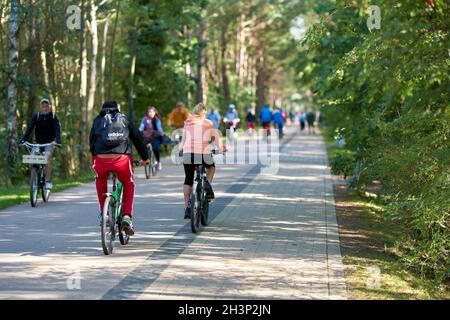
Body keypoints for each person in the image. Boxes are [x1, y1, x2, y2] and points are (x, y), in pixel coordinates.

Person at [89, 101, 149, 236]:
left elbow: (92, 141)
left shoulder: (98, 120)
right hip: (121, 160)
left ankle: (103, 213)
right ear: (117, 109)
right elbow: (138, 139)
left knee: (100, 179)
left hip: (101, 160)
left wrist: (94, 157)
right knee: (128, 183)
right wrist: (145, 157)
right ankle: (127, 215)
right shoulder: (124, 119)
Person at [180, 103, 227, 219]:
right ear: (204, 113)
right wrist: (222, 149)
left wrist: (182, 150)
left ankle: (187, 208)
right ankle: (207, 185)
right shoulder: (208, 123)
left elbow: (183, 140)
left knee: (188, 179)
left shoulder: (187, 122)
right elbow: (217, 140)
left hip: (188, 154)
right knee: (211, 167)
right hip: (203, 154)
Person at [20, 98, 61, 190]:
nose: (45, 108)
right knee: (31, 157)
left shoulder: (53, 117)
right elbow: (30, 128)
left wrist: (57, 141)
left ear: (49, 106)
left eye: (46, 106)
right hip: (38, 143)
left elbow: (57, 130)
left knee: (46, 158)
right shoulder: (37, 116)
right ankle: (34, 176)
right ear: (40, 107)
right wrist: (23, 139)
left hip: (49, 143)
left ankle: (47, 181)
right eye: (43, 106)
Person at [139, 106, 165, 171]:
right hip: (147, 136)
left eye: (151, 112)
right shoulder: (144, 119)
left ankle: (158, 162)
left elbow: (159, 127)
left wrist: (161, 132)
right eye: (148, 112)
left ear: (155, 112)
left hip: (156, 136)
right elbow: (141, 127)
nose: (149, 113)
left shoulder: (157, 119)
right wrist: (139, 131)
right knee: (142, 145)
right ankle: (145, 159)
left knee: (155, 147)